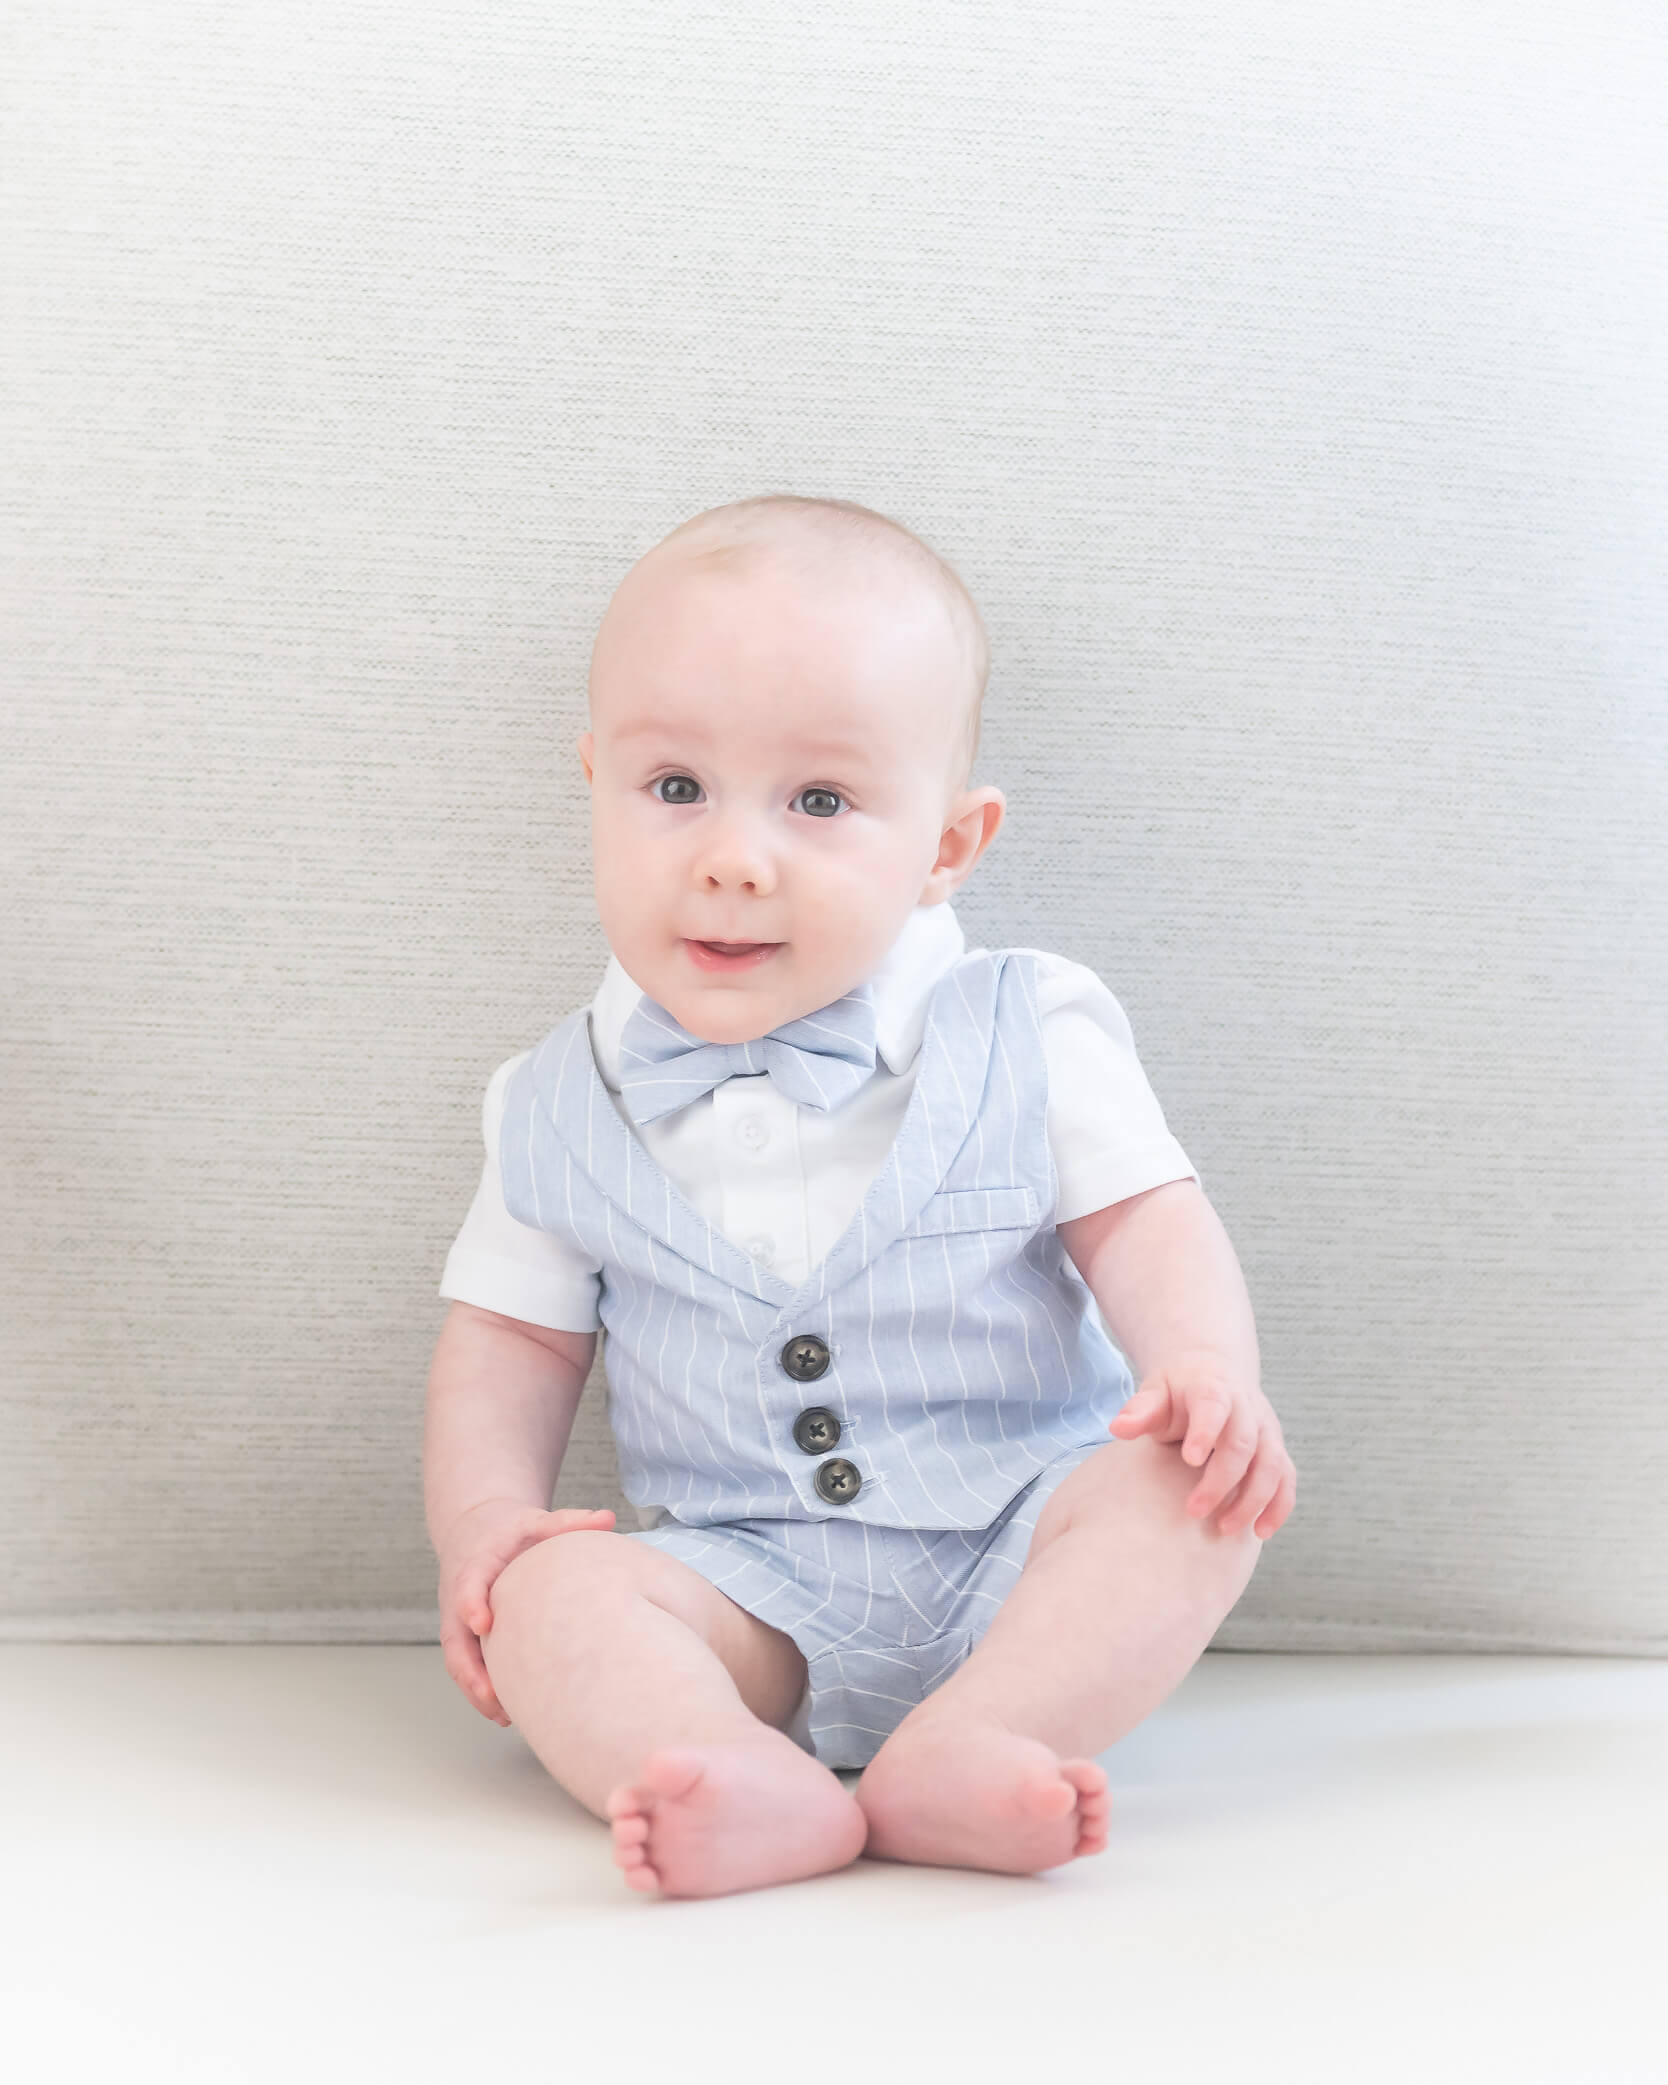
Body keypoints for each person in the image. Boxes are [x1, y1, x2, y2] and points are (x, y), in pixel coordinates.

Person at [424, 493, 1297, 1900]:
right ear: (593, 781)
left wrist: (1203, 1369)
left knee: (1190, 1491)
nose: (734, 855)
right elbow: (510, 1340)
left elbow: (1145, 1216)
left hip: (1027, 1533)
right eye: (672, 788)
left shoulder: (1032, 1025)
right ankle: (722, 1764)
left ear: (948, 847)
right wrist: (483, 1526)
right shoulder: (552, 1101)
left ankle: (984, 1733)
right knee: (555, 1593)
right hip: (744, 1582)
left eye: (819, 802)